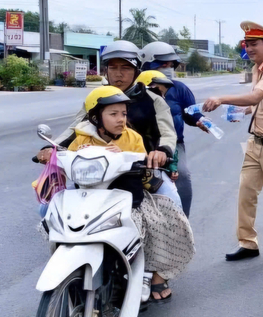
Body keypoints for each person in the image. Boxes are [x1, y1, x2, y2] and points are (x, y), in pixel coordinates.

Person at [68, 86, 195, 303]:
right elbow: (68, 158)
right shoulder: (82, 138)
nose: (121, 119)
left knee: (149, 225)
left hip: (126, 200)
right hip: (90, 200)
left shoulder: (133, 137)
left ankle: (145, 272)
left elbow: (143, 161)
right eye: (113, 114)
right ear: (96, 118)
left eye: (124, 114)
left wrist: (127, 157)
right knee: (57, 216)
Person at [36, 40, 182, 210]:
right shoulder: (97, 98)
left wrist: (162, 151)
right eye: (113, 68)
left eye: (125, 68)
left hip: (143, 169)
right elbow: (75, 128)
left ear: (136, 71)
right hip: (98, 169)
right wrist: (51, 148)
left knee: (173, 205)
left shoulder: (153, 99)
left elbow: (168, 134)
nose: (118, 74)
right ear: (105, 71)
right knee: (47, 208)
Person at [203, 21, 263, 261]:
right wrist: (244, 112)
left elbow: (255, 96)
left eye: (255, 44)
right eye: (247, 44)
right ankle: (248, 243)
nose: (250, 48)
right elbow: (262, 102)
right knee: (246, 192)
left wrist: (221, 99)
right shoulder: (259, 68)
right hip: (256, 142)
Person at [138, 42, 211, 217]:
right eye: (164, 65)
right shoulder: (136, 88)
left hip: (173, 144)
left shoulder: (179, 89)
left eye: (171, 65)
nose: (168, 68)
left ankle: (183, 220)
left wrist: (200, 121)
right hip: (139, 144)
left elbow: (191, 113)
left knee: (183, 176)